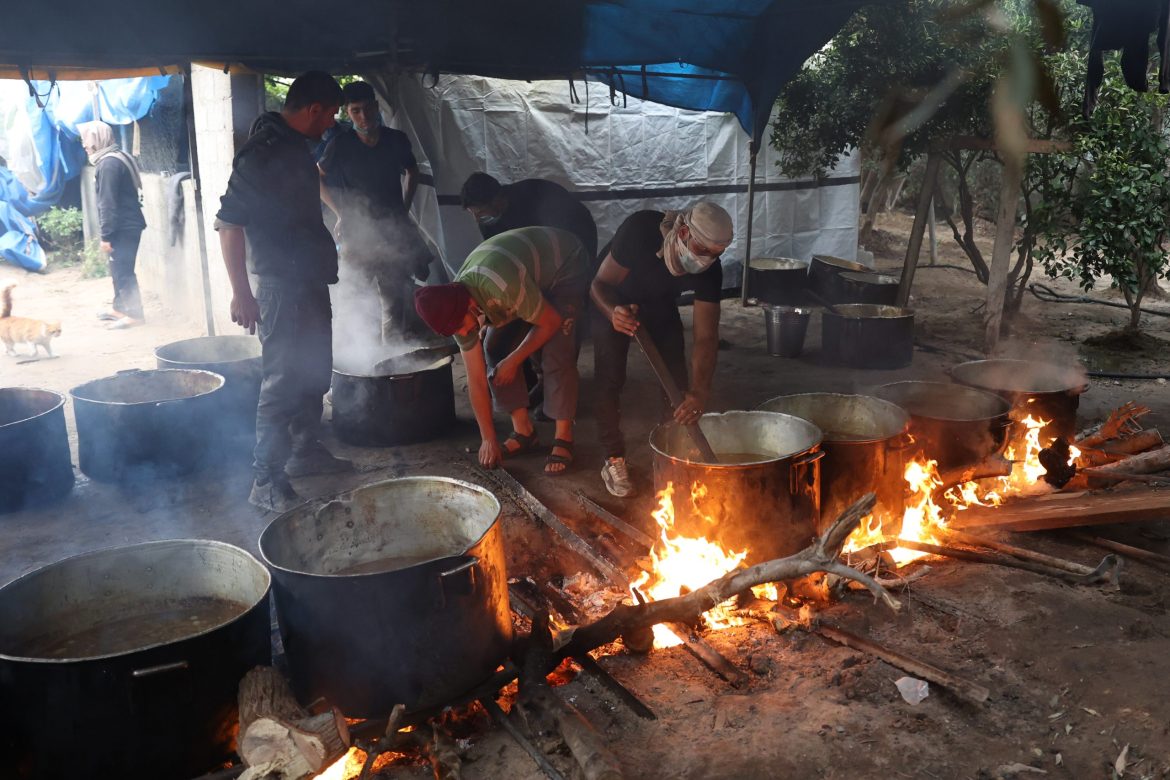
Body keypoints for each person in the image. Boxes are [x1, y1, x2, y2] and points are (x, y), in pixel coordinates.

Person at [215, 71, 352, 513]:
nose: (332, 121)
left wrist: (341, 211)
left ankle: (305, 451)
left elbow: (310, 178)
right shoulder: (260, 156)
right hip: (279, 288)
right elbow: (229, 223)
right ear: (313, 109)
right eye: (331, 112)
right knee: (282, 383)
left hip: (308, 281)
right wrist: (241, 293)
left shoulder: (294, 147)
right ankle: (266, 480)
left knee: (315, 372)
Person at [413, 227, 589, 476]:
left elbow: (549, 322)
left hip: (565, 263)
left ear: (470, 306)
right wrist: (488, 438)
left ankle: (564, 437)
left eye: (463, 327)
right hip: (523, 278)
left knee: (556, 349)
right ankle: (524, 431)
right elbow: (475, 380)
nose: (463, 334)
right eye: (457, 332)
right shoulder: (454, 313)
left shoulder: (500, 287)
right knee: (494, 347)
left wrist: (515, 360)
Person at [590, 202, 734, 497]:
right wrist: (613, 312)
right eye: (703, 250)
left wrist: (700, 392)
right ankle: (613, 457)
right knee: (610, 376)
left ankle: (673, 452)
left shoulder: (710, 269)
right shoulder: (640, 231)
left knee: (676, 381)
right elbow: (598, 284)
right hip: (613, 296)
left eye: (715, 255)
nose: (707, 260)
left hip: (658, 303)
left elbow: (706, 337)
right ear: (682, 232)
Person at [319, 81, 431, 343]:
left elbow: (412, 171)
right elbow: (317, 177)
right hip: (356, 235)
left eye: (368, 109)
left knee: (394, 302)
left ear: (376, 107)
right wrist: (339, 213)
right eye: (355, 111)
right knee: (354, 298)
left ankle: (391, 359)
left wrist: (404, 207)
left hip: (393, 233)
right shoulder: (340, 144)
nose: (364, 116)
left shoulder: (396, 140)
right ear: (347, 112)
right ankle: (356, 362)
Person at [78, 120, 146, 329]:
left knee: (123, 270)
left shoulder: (108, 164)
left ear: (97, 140)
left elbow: (107, 204)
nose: (84, 145)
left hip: (122, 227)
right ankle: (120, 308)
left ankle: (134, 314)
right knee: (116, 268)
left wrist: (106, 236)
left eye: (86, 140)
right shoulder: (115, 157)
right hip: (126, 224)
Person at [461, 172, 598, 260]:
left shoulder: (534, 195)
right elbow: (499, 254)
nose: (477, 219)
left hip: (576, 233)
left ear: (497, 200)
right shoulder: (488, 223)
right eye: (472, 214)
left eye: (480, 212)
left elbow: (559, 243)